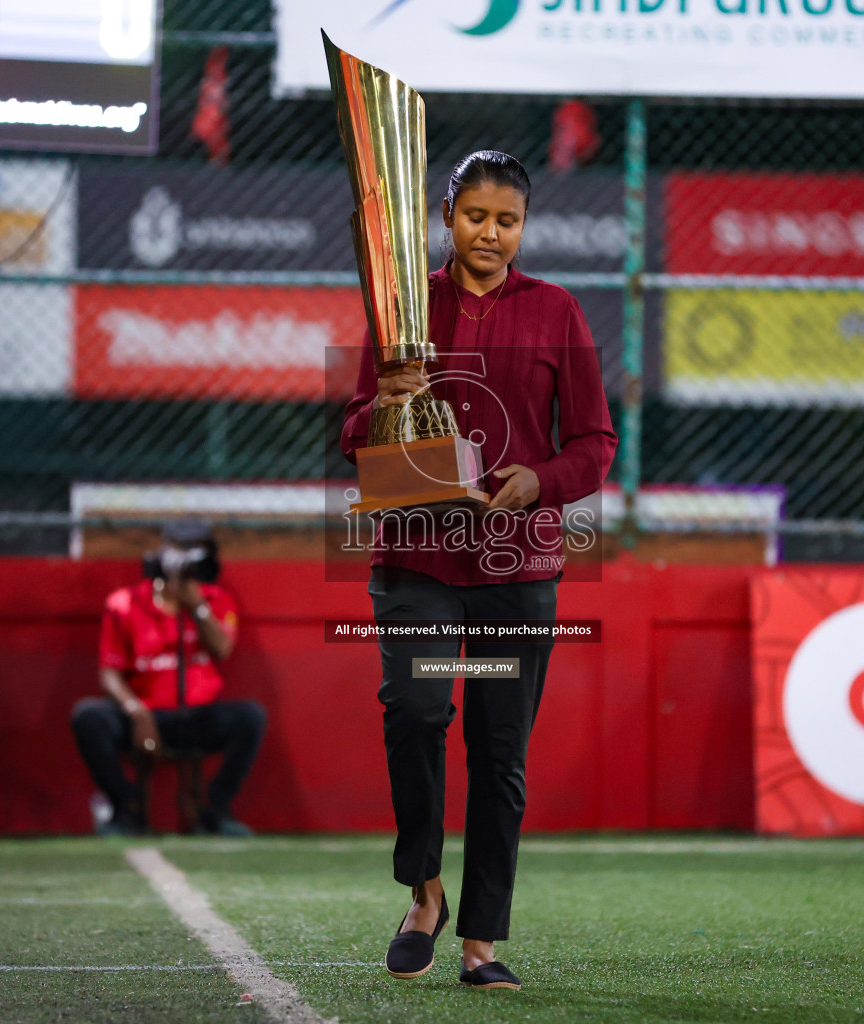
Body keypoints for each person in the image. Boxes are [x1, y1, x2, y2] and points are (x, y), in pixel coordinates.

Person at [340, 151, 617, 990]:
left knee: (500, 749)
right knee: (419, 712)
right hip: (417, 560)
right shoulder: (403, 304)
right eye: (474, 217)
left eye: (506, 221)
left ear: (523, 227)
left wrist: (542, 482)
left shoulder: (558, 311)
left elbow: (595, 444)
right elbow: (351, 429)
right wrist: (385, 404)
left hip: (514, 568)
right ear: (448, 214)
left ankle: (482, 944)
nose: (489, 233)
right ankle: (425, 896)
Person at [70, 524, 266, 837]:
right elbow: (109, 671)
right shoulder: (125, 602)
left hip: (195, 717)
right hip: (142, 715)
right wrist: (135, 710)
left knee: (250, 717)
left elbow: (222, 649)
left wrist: (196, 607)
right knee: (89, 717)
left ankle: (215, 813)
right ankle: (125, 810)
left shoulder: (216, 599)